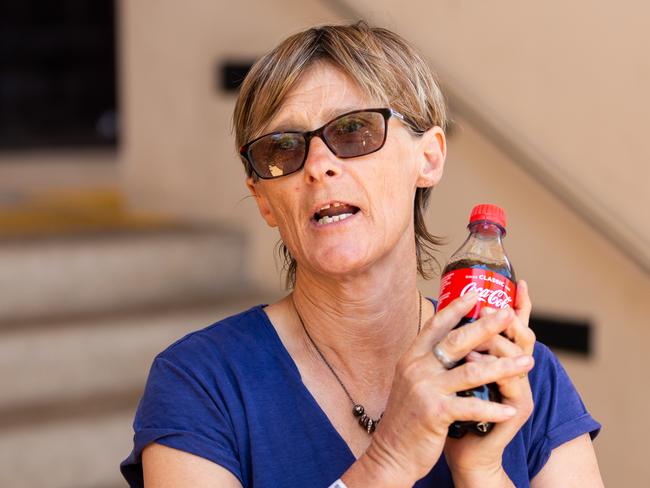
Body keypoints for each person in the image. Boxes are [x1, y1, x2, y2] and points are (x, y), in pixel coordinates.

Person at [120, 22, 603, 487]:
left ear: (429, 158)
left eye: (353, 131)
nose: (318, 166)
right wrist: (389, 461)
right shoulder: (201, 383)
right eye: (283, 149)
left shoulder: (524, 378)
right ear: (264, 197)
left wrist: (483, 472)